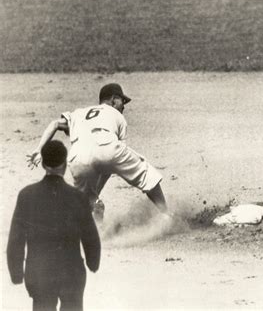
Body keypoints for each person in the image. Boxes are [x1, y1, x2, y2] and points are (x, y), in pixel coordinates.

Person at [26, 83, 167, 221]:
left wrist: (39, 149)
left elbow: (55, 124)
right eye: (122, 101)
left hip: (77, 155)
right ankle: (166, 215)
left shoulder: (79, 112)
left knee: (84, 199)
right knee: (146, 174)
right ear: (113, 100)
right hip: (107, 147)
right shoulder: (118, 116)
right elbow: (110, 161)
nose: (123, 106)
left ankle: (93, 207)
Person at [7, 140, 101, 311]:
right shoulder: (77, 197)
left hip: (39, 272)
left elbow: (16, 238)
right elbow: (90, 236)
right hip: (71, 273)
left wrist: (16, 273)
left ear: (43, 163)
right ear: (65, 164)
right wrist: (93, 262)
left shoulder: (27, 195)